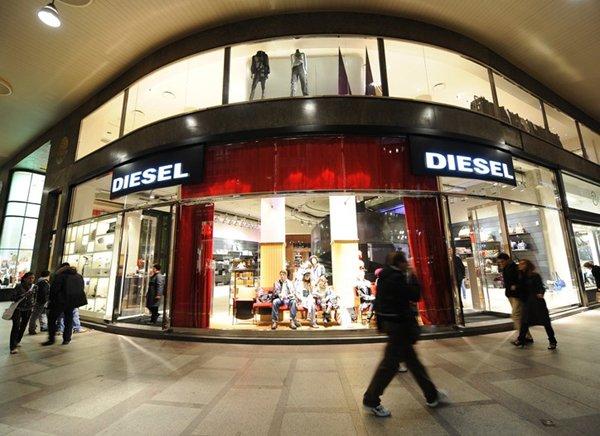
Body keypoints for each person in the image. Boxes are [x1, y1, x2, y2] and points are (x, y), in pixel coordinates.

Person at [363, 251, 447, 417]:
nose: (407, 264)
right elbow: (414, 295)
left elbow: (381, 302)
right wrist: (413, 276)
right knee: (389, 366)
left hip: (393, 325)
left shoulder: (385, 276)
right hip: (399, 326)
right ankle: (371, 400)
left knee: (413, 363)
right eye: (405, 262)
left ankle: (432, 395)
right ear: (400, 263)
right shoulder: (397, 277)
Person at [513, 259, 557, 349]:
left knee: (545, 322)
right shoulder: (521, 277)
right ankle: (521, 339)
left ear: (528, 265)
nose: (520, 265)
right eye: (519, 264)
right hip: (527, 302)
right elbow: (520, 288)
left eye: (522, 264)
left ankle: (552, 341)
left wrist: (540, 293)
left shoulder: (535, 276)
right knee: (525, 321)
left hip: (537, 301)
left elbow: (541, 286)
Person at [43, 263, 87, 346]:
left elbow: (54, 289)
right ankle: (67, 339)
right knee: (69, 319)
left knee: (52, 319)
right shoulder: (79, 276)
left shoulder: (60, 276)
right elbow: (81, 288)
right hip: (72, 302)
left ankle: (51, 339)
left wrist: (51, 300)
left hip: (60, 302)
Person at [497, 253, 532, 343]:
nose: (501, 264)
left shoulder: (514, 267)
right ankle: (527, 336)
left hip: (516, 294)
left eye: (502, 262)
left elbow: (521, 280)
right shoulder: (506, 268)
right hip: (511, 294)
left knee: (515, 315)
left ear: (507, 260)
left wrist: (515, 286)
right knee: (518, 316)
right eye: (499, 262)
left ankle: (522, 337)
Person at [9, 272, 36, 354]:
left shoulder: (34, 287)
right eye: (29, 278)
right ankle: (12, 347)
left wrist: (33, 303)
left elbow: (35, 297)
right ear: (24, 278)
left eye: (33, 278)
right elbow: (12, 298)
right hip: (18, 309)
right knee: (16, 326)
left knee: (23, 326)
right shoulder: (18, 286)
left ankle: (17, 341)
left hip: (28, 309)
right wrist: (24, 295)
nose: (31, 280)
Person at [28, 270, 50, 335]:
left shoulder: (39, 281)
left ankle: (42, 326)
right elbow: (44, 293)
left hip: (38, 301)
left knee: (40, 314)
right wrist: (45, 301)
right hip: (41, 302)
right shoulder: (44, 282)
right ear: (48, 275)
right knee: (35, 315)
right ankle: (32, 329)